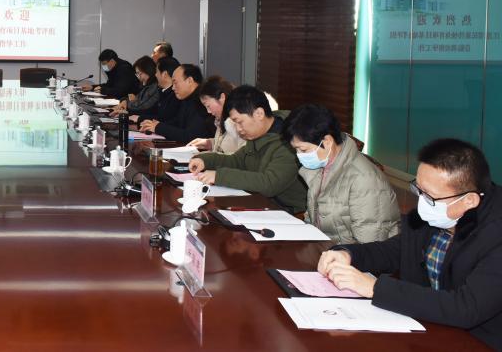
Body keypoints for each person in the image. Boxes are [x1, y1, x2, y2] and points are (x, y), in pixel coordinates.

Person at [318, 139, 502, 349]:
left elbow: (466, 308)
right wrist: (348, 254)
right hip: (430, 328)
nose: (421, 202)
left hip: (480, 342)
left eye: (430, 197)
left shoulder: (496, 234)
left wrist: (375, 288)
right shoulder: (437, 217)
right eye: (418, 189)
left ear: (469, 201)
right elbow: (394, 251)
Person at [283, 104, 399, 244]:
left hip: (350, 255)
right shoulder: (321, 166)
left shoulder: (365, 180)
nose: (299, 155)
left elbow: (370, 245)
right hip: (324, 247)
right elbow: (314, 218)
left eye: (303, 150)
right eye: (296, 150)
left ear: (327, 141)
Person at [188, 85, 306, 213]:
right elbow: (237, 161)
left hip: (288, 212)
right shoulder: (258, 135)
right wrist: (205, 160)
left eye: (239, 122)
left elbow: (269, 184)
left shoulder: (290, 141)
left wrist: (219, 176)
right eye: (235, 123)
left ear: (259, 114)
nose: (238, 129)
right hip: (260, 202)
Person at [138, 64, 214, 143]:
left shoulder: (202, 101)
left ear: (189, 80)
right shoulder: (187, 99)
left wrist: (158, 127)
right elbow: (178, 122)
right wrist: (155, 124)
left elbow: (191, 137)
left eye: (175, 82)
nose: (173, 88)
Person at [188, 76, 240, 154]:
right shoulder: (222, 119)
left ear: (222, 97)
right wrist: (210, 143)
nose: (208, 111)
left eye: (208, 106)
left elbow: (234, 155)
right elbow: (227, 144)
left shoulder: (239, 123)